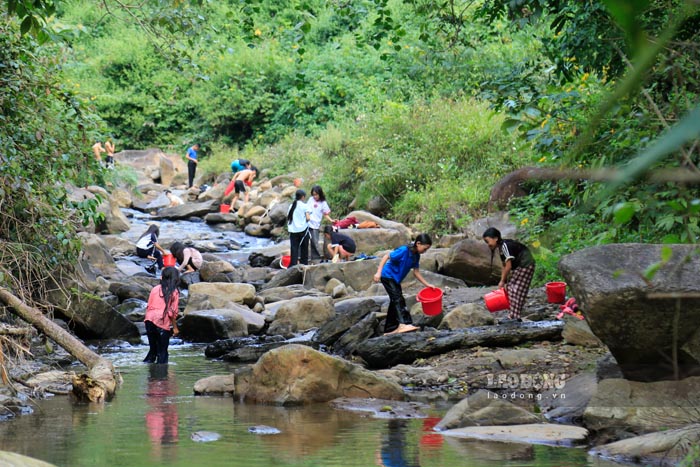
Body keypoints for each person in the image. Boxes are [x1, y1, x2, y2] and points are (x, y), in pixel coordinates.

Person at [373, 234, 435, 335]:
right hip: (387, 276)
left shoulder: (416, 256)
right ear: (418, 243)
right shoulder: (404, 250)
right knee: (397, 299)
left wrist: (428, 285)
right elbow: (386, 256)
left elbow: (416, 272)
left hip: (396, 279)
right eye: (425, 249)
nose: (425, 251)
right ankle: (403, 323)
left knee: (396, 301)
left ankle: (390, 329)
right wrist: (378, 272)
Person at [483, 227, 536, 322]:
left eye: (488, 241)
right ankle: (514, 314)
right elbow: (505, 265)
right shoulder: (501, 248)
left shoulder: (505, 246)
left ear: (495, 238)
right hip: (522, 265)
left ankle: (515, 316)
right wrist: (502, 281)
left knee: (514, 290)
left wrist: (503, 280)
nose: (487, 245)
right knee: (513, 289)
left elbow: (508, 266)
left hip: (525, 264)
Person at [143, 267, 180, 364]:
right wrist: (175, 327)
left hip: (149, 320)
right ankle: (162, 377)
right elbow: (172, 312)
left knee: (153, 350)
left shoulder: (155, 289)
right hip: (161, 322)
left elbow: (149, 306)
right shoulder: (174, 292)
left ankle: (150, 375)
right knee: (163, 353)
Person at [308, 185, 336, 262]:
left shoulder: (323, 203)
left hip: (315, 225)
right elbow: (306, 209)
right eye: (313, 194)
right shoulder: (310, 199)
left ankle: (316, 257)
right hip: (307, 223)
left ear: (320, 194)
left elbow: (325, 214)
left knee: (315, 242)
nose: (315, 196)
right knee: (309, 241)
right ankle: (313, 257)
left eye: (316, 194)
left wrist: (331, 220)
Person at [287, 189, 312, 267]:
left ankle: (293, 265)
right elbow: (308, 218)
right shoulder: (304, 206)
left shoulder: (291, 206)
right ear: (303, 197)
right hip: (303, 230)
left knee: (294, 249)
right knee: (304, 249)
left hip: (293, 231)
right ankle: (304, 265)